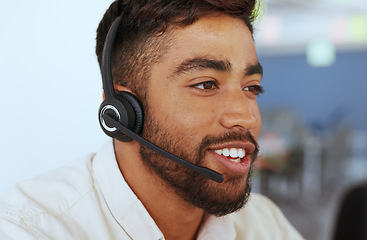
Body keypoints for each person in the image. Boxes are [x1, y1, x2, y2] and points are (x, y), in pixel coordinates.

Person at [0, 0, 304, 239]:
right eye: (205, 84)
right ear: (121, 113)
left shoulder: (264, 224)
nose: (246, 117)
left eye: (252, 88)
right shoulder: (30, 230)